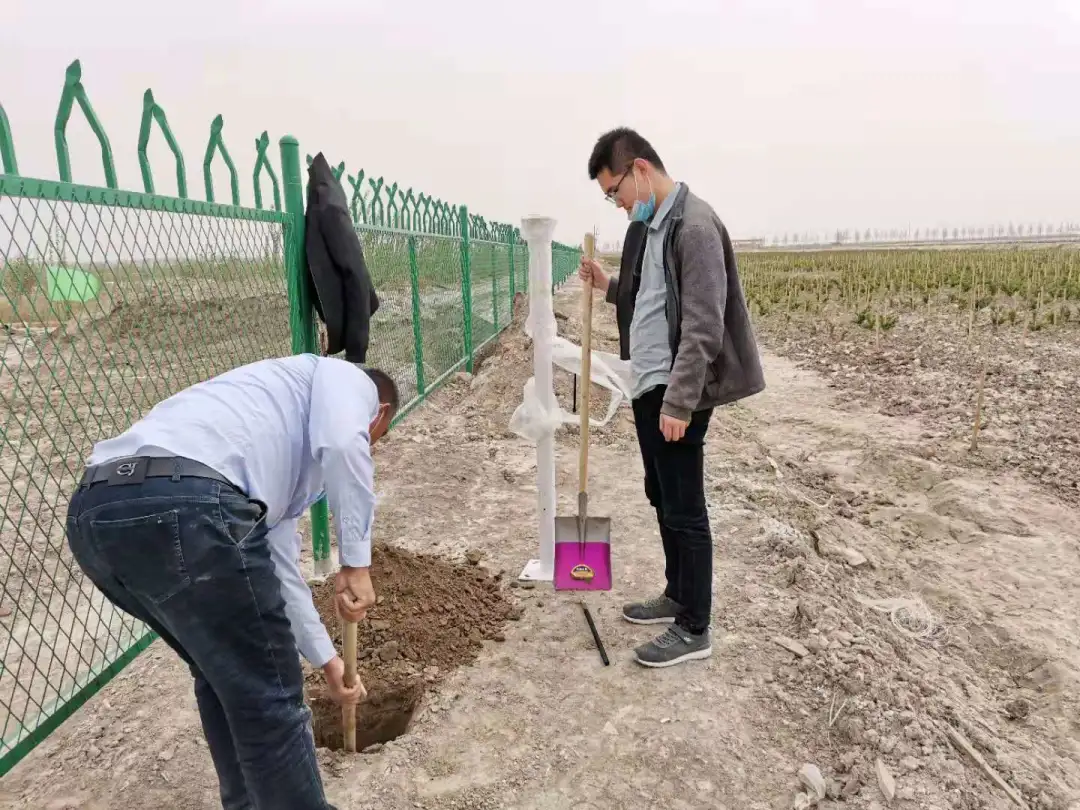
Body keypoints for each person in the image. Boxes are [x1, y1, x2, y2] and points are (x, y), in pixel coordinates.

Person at [64, 354, 399, 810]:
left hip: (94, 516)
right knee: (269, 692)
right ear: (378, 412)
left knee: (225, 673)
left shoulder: (265, 454)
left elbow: (279, 570)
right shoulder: (347, 379)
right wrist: (356, 563)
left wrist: (327, 660)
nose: (369, 446)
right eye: (376, 438)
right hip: (187, 503)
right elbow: (343, 443)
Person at [578, 127, 765, 668]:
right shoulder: (654, 228)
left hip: (676, 390)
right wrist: (607, 285)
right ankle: (677, 592)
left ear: (639, 169)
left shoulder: (695, 225)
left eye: (615, 192)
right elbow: (650, 299)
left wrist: (680, 403)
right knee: (660, 493)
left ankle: (694, 626)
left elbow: (703, 324)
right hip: (648, 383)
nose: (618, 205)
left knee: (685, 506)